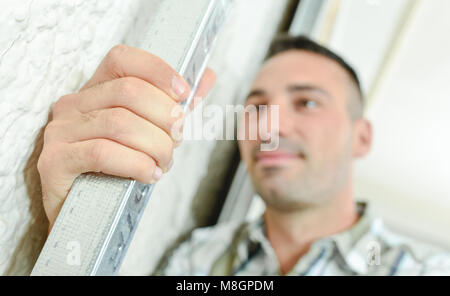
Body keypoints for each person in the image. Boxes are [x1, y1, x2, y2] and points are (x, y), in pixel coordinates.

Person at [37, 35, 450, 275]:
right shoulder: (196, 259)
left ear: (361, 138)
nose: (269, 128)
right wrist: (77, 225)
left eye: (306, 103)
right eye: (256, 109)